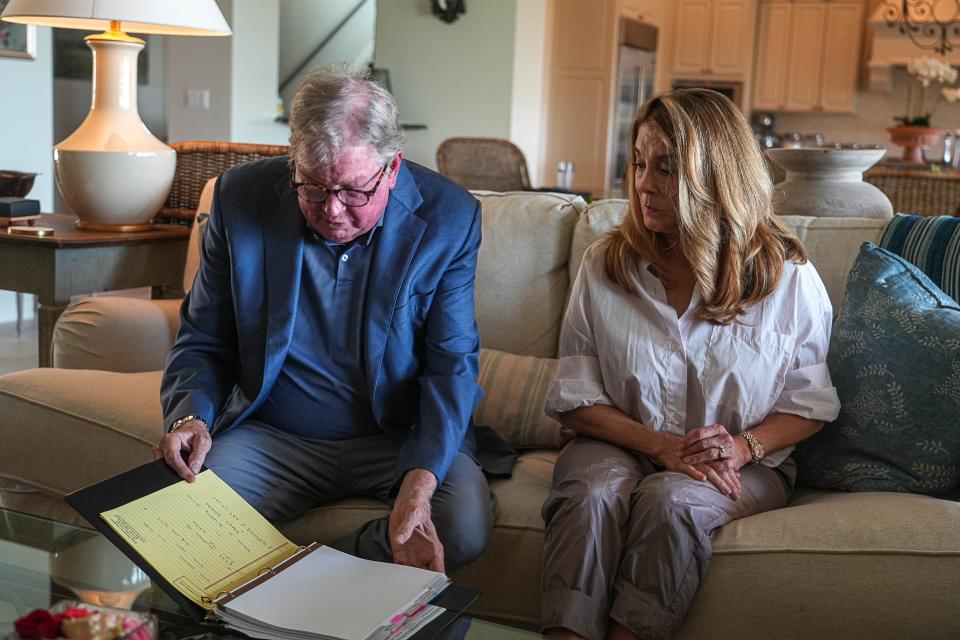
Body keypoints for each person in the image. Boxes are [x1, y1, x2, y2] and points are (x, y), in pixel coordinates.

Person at [153, 66, 511, 575]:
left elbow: (450, 365)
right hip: (273, 436)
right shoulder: (240, 199)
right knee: (174, 516)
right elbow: (204, 338)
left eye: (353, 191)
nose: (333, 210)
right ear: (293, 161)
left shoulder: (448, 218)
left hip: (396, 437)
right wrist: (192, 418)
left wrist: (422, 478)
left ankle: (301, 583)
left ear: (392, 168)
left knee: (462, 525)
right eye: (313, 188)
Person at [539, 88, 841, 640]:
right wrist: (659, 446)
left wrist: (743, 446)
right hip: (616, 442)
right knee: (592, 495)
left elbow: (809, 406)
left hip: (743, 463)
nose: (643, 184)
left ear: (716, 175)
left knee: (671, 499)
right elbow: (577, 401)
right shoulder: (606, 265)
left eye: (667, 168)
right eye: (638, 164)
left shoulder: (787, 278)